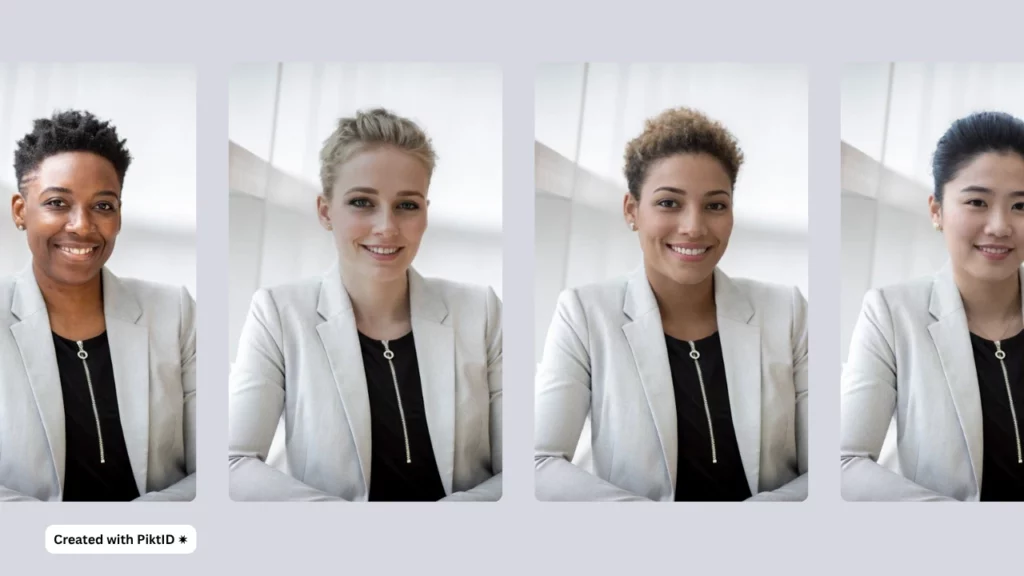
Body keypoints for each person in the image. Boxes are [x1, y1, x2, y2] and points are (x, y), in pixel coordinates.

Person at [534, 107, 808, 501]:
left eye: (715, 205)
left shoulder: (788, 312)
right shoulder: (584, 313)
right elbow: (541, 462)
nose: (693, 226)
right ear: (632, 210)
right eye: (668, 203)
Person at [228, 108, 502, 501]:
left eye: (407, 205)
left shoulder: (482, 312)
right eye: (361, 202)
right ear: (325, 211)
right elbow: (234, 463)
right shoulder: (278, 313)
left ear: (425, 211)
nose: (386, 226)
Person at [0, 110, 197, 502]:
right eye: (57, 203)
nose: (82, 226)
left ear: (119, 215)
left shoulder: (174, 312)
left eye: (103, 206)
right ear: (21, 211)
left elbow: (217, 466)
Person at [842, 111, 1024, 502]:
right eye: (977, 201)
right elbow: (845, 462)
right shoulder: (891, 313)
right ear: (936, 210)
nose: (1000, 226)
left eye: (1020, 206)